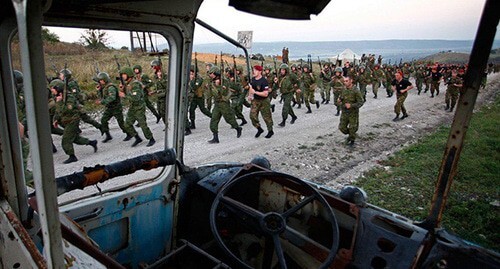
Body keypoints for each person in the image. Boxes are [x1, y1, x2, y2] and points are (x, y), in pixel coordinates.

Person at [50, 79, 97, 164]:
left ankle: (72, 156)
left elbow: (67, 110)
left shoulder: (69, 97)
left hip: (73, 120)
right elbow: (58, 111)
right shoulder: (58, 97)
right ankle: (91, 142)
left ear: (58, 88)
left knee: (66, 140)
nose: (51, 90)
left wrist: (59, 102)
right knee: (75, 138)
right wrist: (55, 119)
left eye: (52, 88)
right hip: (66, 121)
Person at [119, 67, 156, 147]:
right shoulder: (128, 84)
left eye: (124, 75)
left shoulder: (135, 84)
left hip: (139, 107)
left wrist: (124, 96)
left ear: (128, 75)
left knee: (143, 125)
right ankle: (137, 138)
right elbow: (129, 93)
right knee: (127, 124)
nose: (122, 76)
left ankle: (151, 139)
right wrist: (122, 89)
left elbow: (136, 98)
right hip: (132, 107)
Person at [207, 66, 242, 143]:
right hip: (217, 104)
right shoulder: (211, 82)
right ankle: (215, 138)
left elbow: (223, 93)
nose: (210, 75)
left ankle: (238, 128)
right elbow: (210, 94)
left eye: (212, 73)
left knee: (229, 119)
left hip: (224, 104)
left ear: (216, 73)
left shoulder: (224, 81)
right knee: (213, 120)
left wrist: (218, 85)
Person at [95, 72, 127, 143]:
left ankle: (130, 133)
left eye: (101, 80)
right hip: (109, 108)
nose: (100, 82)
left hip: (116, 108)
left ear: (104, 80)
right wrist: (99, 90)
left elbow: (112, 98)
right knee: (103, 120)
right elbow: (101, 97)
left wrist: (102, 102)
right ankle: (108, 135)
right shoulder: (104, 87)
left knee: (121, 123)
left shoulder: (111, 87)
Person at [248, 65, 274, 138]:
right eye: (253, 70)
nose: (254, 72)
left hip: (264, 101)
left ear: (260, 71)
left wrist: (255, 92)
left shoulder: (264, 81)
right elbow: (251, 89)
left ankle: (270, 131)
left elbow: (265, 94)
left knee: (267, 117)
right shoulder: (252, 79)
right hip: (255, 100)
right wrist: (250, 95)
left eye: (255, 70)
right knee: (252, 116)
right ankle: (259, 128)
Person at [337, 76, 364, 146]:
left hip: (353, 113)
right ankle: (351, 134)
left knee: (352, 128)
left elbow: (361, 102)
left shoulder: (356, 91)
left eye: (346, 81)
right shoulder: (343, 89)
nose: (345, 82)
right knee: (342, 128)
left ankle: (352, 141)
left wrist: (351, 105)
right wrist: (339, 100)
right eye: (344, 81)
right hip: (344, 112)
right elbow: (341, 97)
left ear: (351, 81)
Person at [150, 59, 167, 124]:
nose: (152, 68)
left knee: (163, 112)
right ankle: (166, 124)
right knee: (160, 111)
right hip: (159, 96)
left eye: (153, 67)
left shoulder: (164, 75)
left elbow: (167, 86)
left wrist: (160, 78)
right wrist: (153, 92)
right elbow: (157, 86)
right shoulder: (155, 76)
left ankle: (167, 125)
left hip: (164, 96)